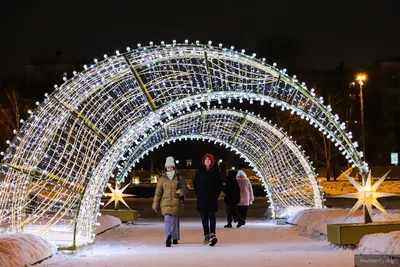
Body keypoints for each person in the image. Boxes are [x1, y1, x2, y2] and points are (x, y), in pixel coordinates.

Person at [152, 156, 188, 247]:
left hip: (176, 202)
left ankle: (175, 237)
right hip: (165, 202)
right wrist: (155, 205)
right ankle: (168, 236)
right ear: (166, 168)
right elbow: (158, 193)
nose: (169, 169)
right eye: (168, 167)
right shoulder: (162, 179)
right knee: (167, 220)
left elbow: (185, 188)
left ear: (174, 167)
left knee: (175, 220)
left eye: (171, 167)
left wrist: (181, 191)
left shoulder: (179, 177)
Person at [193, 153, 223, 246]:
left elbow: (219, 184)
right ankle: (206, 234)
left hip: (212, 198)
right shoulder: (199, 171)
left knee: (212, 217)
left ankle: (213, 235)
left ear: (212, 161)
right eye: (206, 159)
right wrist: (198, 193)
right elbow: (196, 183)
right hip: (202, 198)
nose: (207, 161)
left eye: (209, 160)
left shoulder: (216, 171)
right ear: (203, 161)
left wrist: (215, 194)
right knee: (204, 219)